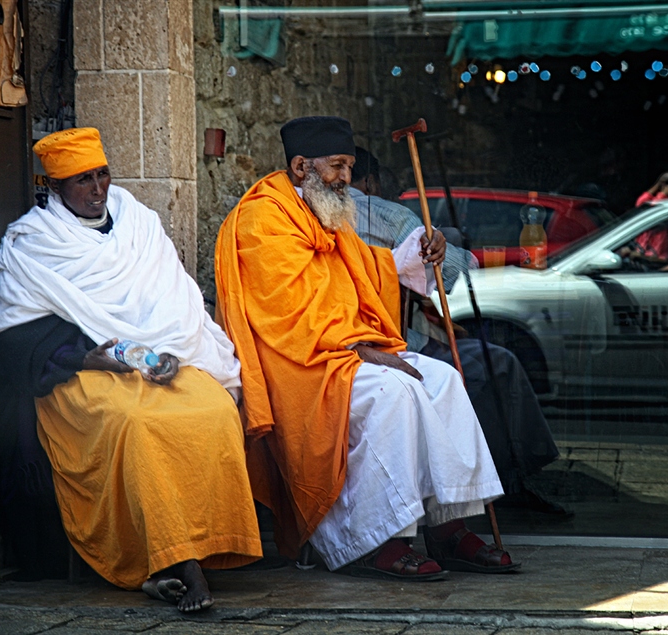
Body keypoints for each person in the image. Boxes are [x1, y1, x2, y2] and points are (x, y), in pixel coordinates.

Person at [215, 116, 517, 581]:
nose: (346, 179)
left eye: (350, 167)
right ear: (301, 166)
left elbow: (363, 269)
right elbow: (281, 309)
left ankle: (447, 527)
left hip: (344, 350)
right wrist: (356, 347)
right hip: (298, 362)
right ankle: (377, 539)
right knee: (395, 391)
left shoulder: (327, 212)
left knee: (442, 380)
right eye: (338, 166)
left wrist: (422, 251)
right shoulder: (260, 218)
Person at [0, 127, 263, 612]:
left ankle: (208, 545)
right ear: (54, 188)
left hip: (159, 360)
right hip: (80, 375)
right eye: (81, 181)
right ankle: (176, 562)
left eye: (102, 175)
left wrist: (175, 349)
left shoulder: (138, 220)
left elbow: (176, 299)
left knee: (214, 407)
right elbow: (16, 338)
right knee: (137, 426)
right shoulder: (32, 243)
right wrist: (86, 358)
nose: (97, 190)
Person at [350, 146, 570, 516]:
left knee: (474, 360)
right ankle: (509, 483)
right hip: (389, 341)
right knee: (495, 364)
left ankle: (493, 486)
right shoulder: (385, 215)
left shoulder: (306, 217)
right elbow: (449, 272)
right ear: (369, 180)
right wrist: (447, 246)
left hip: (373, 336)